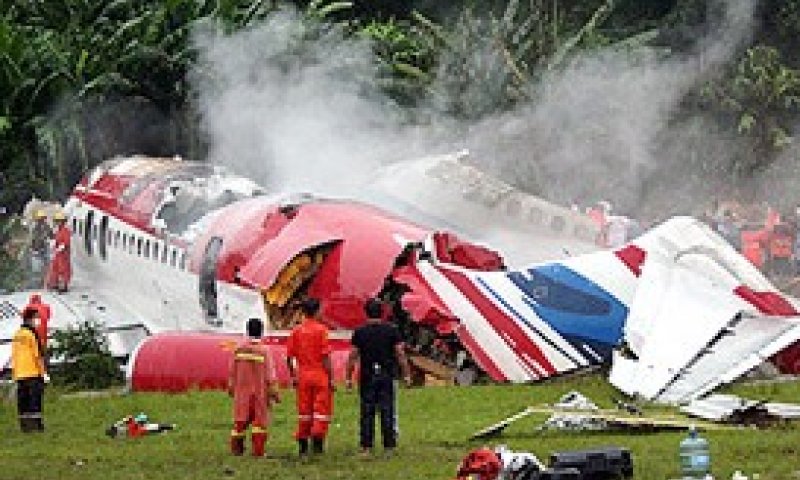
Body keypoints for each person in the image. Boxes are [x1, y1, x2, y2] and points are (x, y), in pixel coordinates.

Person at [346, 298, 411, 457]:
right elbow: (400, 353)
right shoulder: (391, 330)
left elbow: (353, 356)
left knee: (367, 411)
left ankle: (366, 447)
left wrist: (348, 377)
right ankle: (389, 446)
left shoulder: (360, 332)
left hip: (367, 375)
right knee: (387, 409)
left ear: (365, 312)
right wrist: (406, 374)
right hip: (386, 375)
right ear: (382, 312)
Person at [286, 298, 334, 455]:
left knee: (304, 411)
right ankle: (318, 442)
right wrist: (331, 378)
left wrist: (293, 376)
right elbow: (325, 357)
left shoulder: (296, 331)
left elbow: (289, 357)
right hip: (320, 375)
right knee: (321, 410)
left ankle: (303, 444)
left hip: (303, 376)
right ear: (317, 311)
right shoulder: (322, 331)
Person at [228, 318, 279, 457]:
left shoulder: (238, 349)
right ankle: (258, 451)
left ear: (247, 331)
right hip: (259, 392)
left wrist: (231, 387)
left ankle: (236, 449)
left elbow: (232, 371)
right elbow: (270, 374)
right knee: (259, 422)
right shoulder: (263, 350)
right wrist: (275, 393)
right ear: (262, 332)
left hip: (241, 392)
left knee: (240, 421)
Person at [11, 308, 48, 432]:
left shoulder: (17, 335)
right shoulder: (32, 334)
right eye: (36, 318)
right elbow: (37, 355)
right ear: (30, 319)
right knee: (34, 401)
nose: (37, 321)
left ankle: (25, 427)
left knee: (23, 402)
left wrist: (15, 373)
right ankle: (36, 426)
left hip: (20, 374)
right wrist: (43, 373)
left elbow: (15, 355)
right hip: (33, 372)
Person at [46, 212, 71, 292]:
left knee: (63, 269)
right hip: (58, 253)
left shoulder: (65, 231)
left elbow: (66, 242)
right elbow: (56, 240)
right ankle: (55, 283)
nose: (58, 223)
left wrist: (60, 248)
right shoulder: (58, 231)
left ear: (63, 221)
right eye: (57, 221)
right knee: (55, 268)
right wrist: (53, 244)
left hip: (63, 254)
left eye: (59, 221)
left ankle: (64, 285)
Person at [29, 210, 52, 288]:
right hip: (36, 249)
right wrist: (33, 248)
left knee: (47, 265)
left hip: (45, 248)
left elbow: (51, 235)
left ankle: (45, 281)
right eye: (39, 219)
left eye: (42, 218)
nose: (41, 220)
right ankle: (38, 283)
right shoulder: (34, 227)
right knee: (36, 267)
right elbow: (32, 239)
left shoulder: (46, 226)